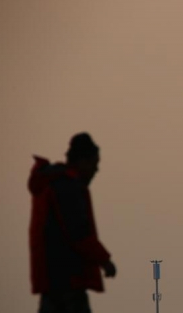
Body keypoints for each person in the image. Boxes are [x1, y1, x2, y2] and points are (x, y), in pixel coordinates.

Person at [28, 132, 117, 313]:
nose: (96, 170)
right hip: (69, 283)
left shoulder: (51, 184)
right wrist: (105, 260)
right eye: (94, 164)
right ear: (82, 161)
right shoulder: (67, 187)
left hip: (51, 282)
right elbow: (79, 233)